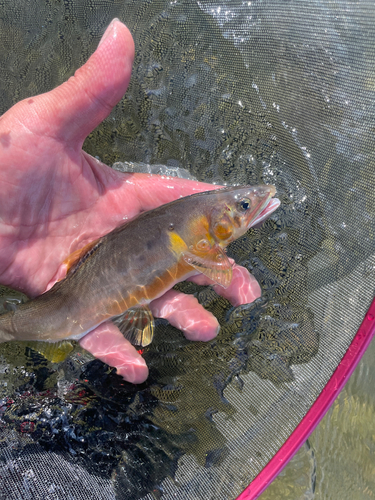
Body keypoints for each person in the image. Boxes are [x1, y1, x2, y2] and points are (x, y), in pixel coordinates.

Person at [0, 19, 261, 383]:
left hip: (67, 308)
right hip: (65, 306)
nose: (251, 206)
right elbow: (210, 264)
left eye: (244, 205)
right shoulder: (204, 244)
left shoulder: (200, 238)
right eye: (243, 208)